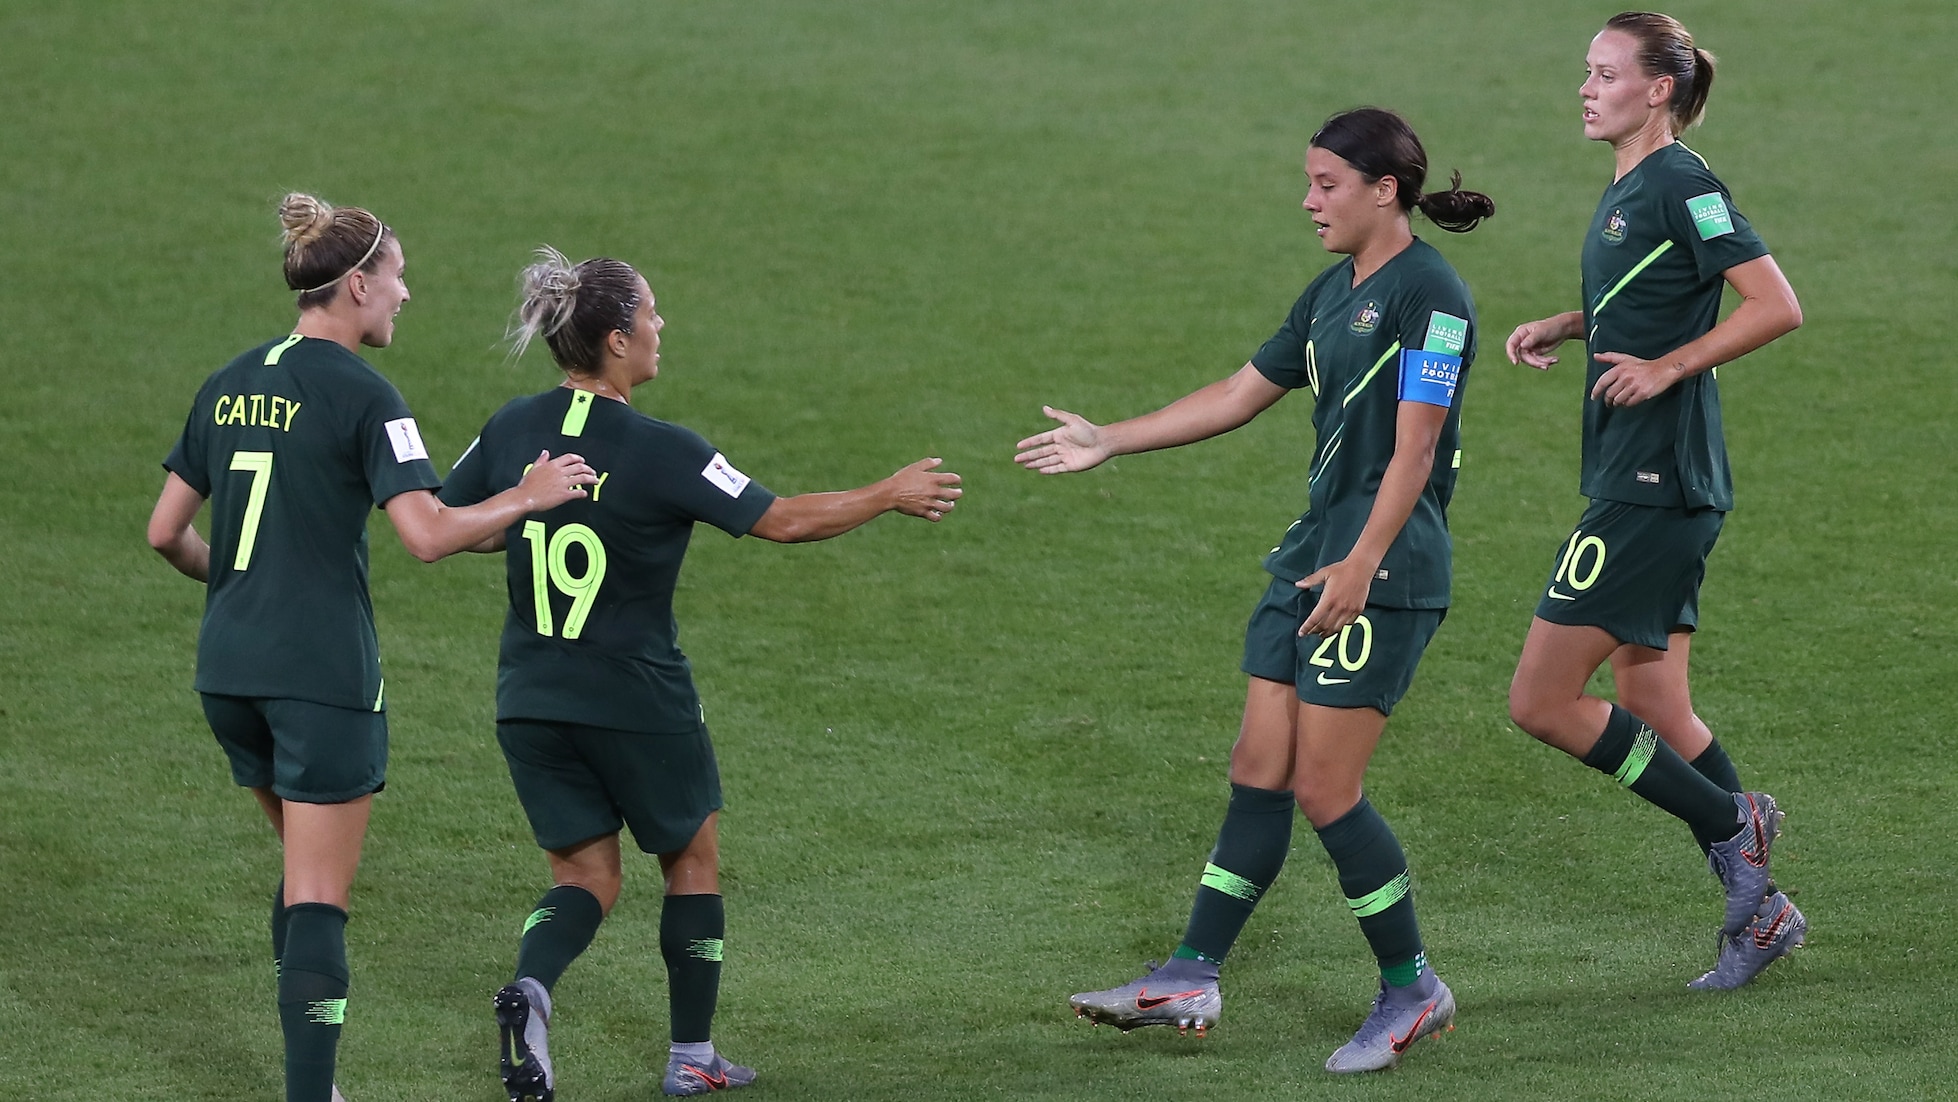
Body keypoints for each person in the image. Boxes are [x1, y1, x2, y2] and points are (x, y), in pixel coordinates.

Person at [1016, 108, 1493, 1073]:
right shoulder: (1330, 291)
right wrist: (1112, 437)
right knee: (1258, 763)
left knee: (1326, 785)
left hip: (1383, 571)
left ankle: (1412, 988)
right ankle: (1192, 971)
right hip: (1309, 557)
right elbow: (1239, 394)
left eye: (1326, 183)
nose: (1309, 199)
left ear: (1384, 191)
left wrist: (1361, 561)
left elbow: (1416, 448)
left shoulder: (1432, 298)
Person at [439, 247, 962, 1101]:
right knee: (690, 856)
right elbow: (782, 521)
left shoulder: (509, 428)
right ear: (615, 341)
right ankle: (693, 1056)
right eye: (650, 315)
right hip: (639, 697)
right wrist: (886, 492)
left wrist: (515, 513)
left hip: (529, 698)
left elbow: (443, 519)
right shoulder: (661, 449)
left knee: (582, 878)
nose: (660, 327)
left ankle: (531, 989)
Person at [145, 195, 597, 1102]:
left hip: (227, 671)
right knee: (319, 895)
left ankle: (315, 1082)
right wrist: (529, 493)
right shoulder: (367, 395)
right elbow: (426, 535)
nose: (405, 292)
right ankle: (311, 1094)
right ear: (355, 285)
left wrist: (245, 585)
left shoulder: (227, 380)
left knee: (300, 873)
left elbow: (165, 533)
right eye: (395, 276)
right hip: (321, 679)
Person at [1503, 11, 1805, 991]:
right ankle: (1760, 917)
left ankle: (1732, 823)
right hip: (1638, 475)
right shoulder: (1631, 185)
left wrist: (1669, 364)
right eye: (1583, 72)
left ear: (1657, 89)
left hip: (1653, 485)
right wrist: (1565, 321)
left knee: (1542, 699)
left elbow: (1772, 304)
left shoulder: (1683, 181)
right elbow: (1647, 292)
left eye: (1603, 73)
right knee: (1650, 699)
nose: (1585, 89)